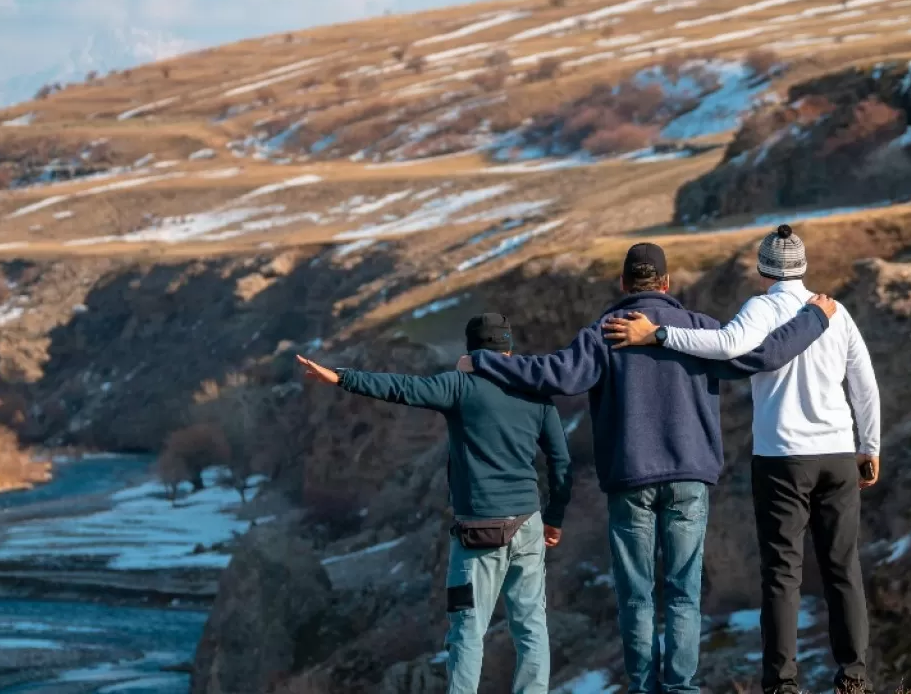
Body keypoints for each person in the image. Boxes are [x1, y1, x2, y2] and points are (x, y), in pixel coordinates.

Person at [458, 243, 838, 694]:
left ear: (623, 284)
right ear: (666, 283)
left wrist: (482, 361)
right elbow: (760, 356)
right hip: (689, 477)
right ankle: (680, 688)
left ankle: (641, 687)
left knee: (636, 595)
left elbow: (554, 375)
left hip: (630, 478)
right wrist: (815, 319)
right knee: (683, 592)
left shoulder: (605, 331)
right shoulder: (698, 329)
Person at [602, 225, 880, 694]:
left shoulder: (762, 307)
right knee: (843, 568)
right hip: (836, 453)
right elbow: (865, 385)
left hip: (782, 458)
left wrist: (659, 335)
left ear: (762, 267)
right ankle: (854, 677)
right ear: (804, 266)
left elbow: (728, 345)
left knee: (782, 573)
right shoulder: (838, 312)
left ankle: (782, 684)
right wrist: (869, 446)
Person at [296, 313, 571, 694]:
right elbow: (560, 460)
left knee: (467, 630)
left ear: (471, 350)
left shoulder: (460, 386)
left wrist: (342, 376)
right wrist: (554, 517)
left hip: (478, 532)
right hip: (528, 525)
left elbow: (402, 388)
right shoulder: (536, 393)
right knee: (530, 626)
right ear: (508, 348)